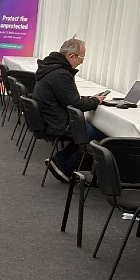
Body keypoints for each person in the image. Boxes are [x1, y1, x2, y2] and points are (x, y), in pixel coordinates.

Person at [34, 38, 106, 182]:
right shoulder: (60, 74)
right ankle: (67, 167)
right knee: (100, 135)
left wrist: (88, 99)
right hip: (56, 122)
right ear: (71, 56)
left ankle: (59, 160)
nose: (82, 62)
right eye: (81, 57)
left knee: (86, 131)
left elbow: (69, 99)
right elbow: (75, 104)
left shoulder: (50, 68)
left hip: (49, 118)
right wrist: (94, 101)